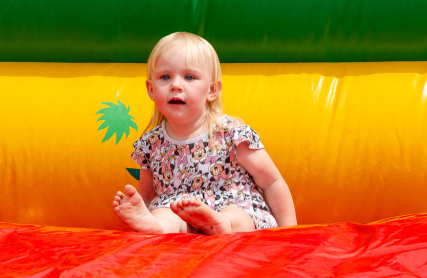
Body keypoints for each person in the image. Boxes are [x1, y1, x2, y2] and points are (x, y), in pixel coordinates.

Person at [113, 32, 297, 235]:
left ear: (212, 90)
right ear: (151, 89)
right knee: (165, 213)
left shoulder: (231, 135)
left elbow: (272, 182)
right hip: (181, 211)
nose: (175, 85)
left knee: (237, 214)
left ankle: (221, 223)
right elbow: (148, 193)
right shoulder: (151, 143)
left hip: (232, 204)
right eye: (165, 77)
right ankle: (157, 227)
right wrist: (143, 208)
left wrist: (288, 231)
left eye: (189, 77)